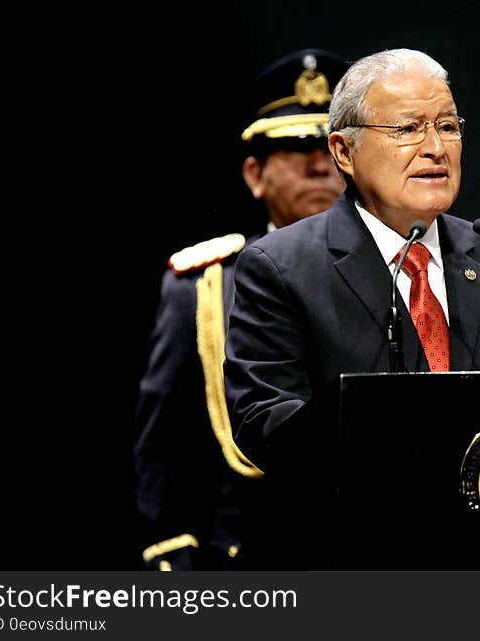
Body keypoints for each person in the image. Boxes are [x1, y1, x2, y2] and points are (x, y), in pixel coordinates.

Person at [223, 49, 480, 565]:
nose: (435, 148)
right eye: (407, 129)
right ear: (343, 151)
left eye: (448, 126)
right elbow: (264, 423)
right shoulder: (281, 267)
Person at [134, 48, 350, 570]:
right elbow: (164, 442)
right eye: (296, 147)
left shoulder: (404, 274)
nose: (319, 163)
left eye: (331, 147)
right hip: (246, 563)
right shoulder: (204, 287)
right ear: (255, 174)